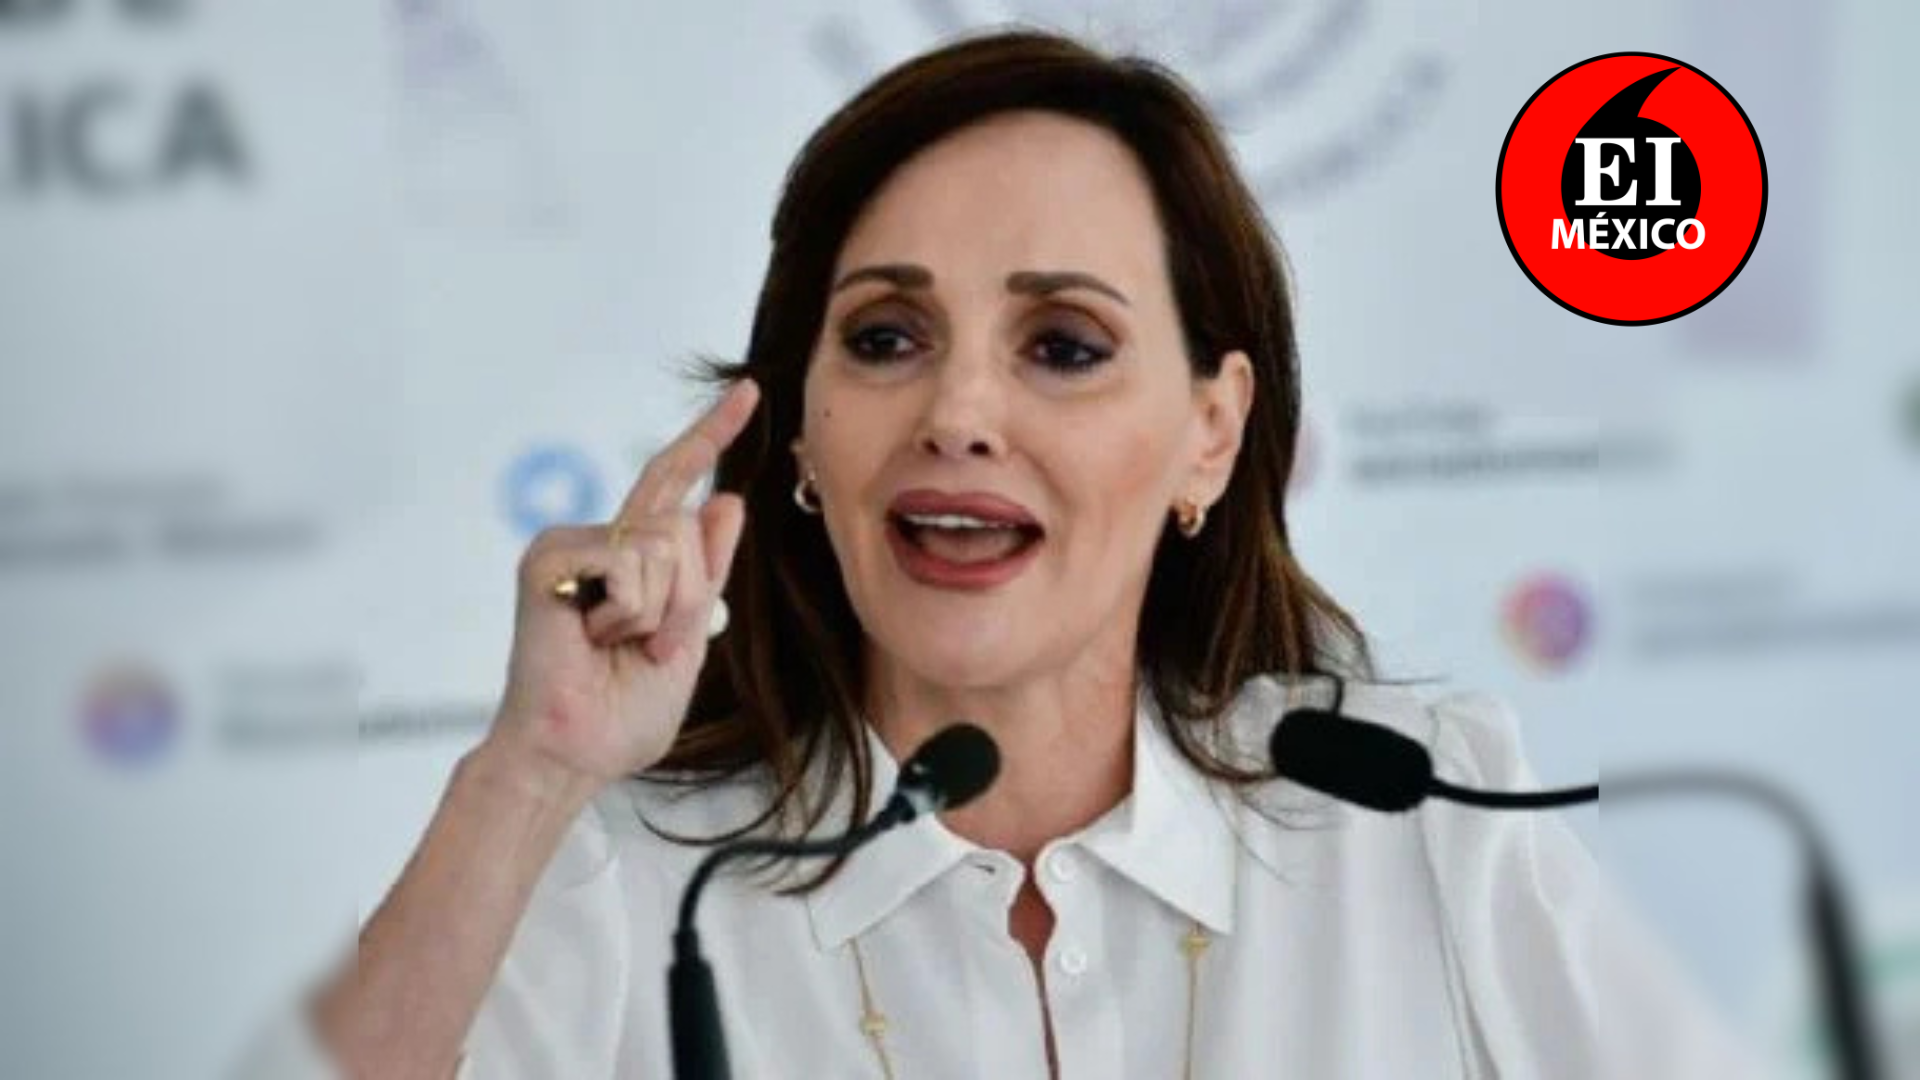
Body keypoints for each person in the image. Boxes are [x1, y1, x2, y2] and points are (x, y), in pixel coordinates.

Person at [233, 28, 1761, 1080]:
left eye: (1064, 345)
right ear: (803, 435)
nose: (958, 413)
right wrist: (529, 778)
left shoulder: (1423, 818)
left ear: (1211, 433)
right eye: (886, 337)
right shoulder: (627, 880)